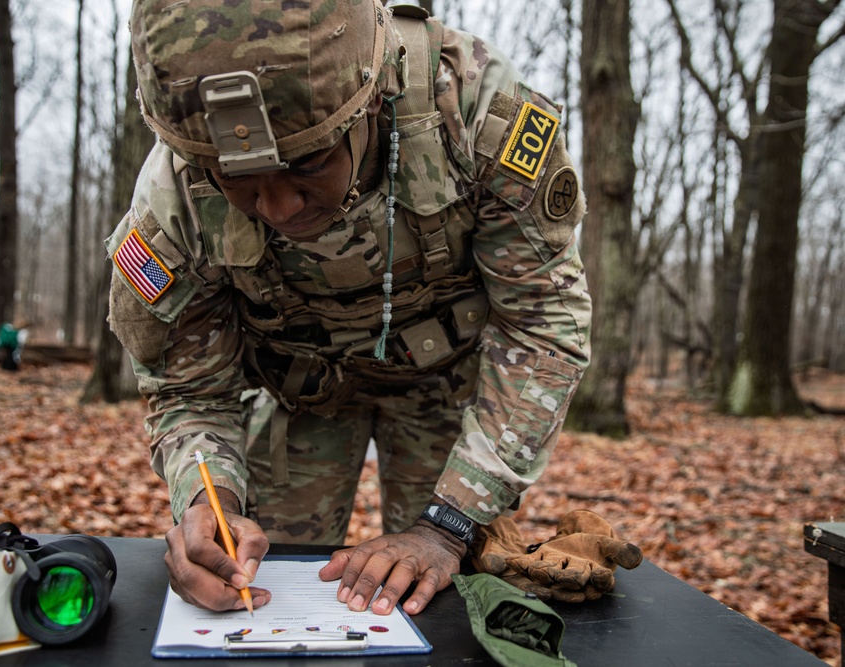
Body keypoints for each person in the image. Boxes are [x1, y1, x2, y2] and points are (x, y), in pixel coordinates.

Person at [108, 0, 591, 618]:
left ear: (368, 103)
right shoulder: (174, 201)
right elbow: (188, 389)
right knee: (263, 580)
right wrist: (208, 498)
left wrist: (448, 526)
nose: (279, 207)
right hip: (298, 391)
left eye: (307, 163)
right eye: (238, 179)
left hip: (447, 387)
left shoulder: (469, 110)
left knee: (442, 596)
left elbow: (543, 326)